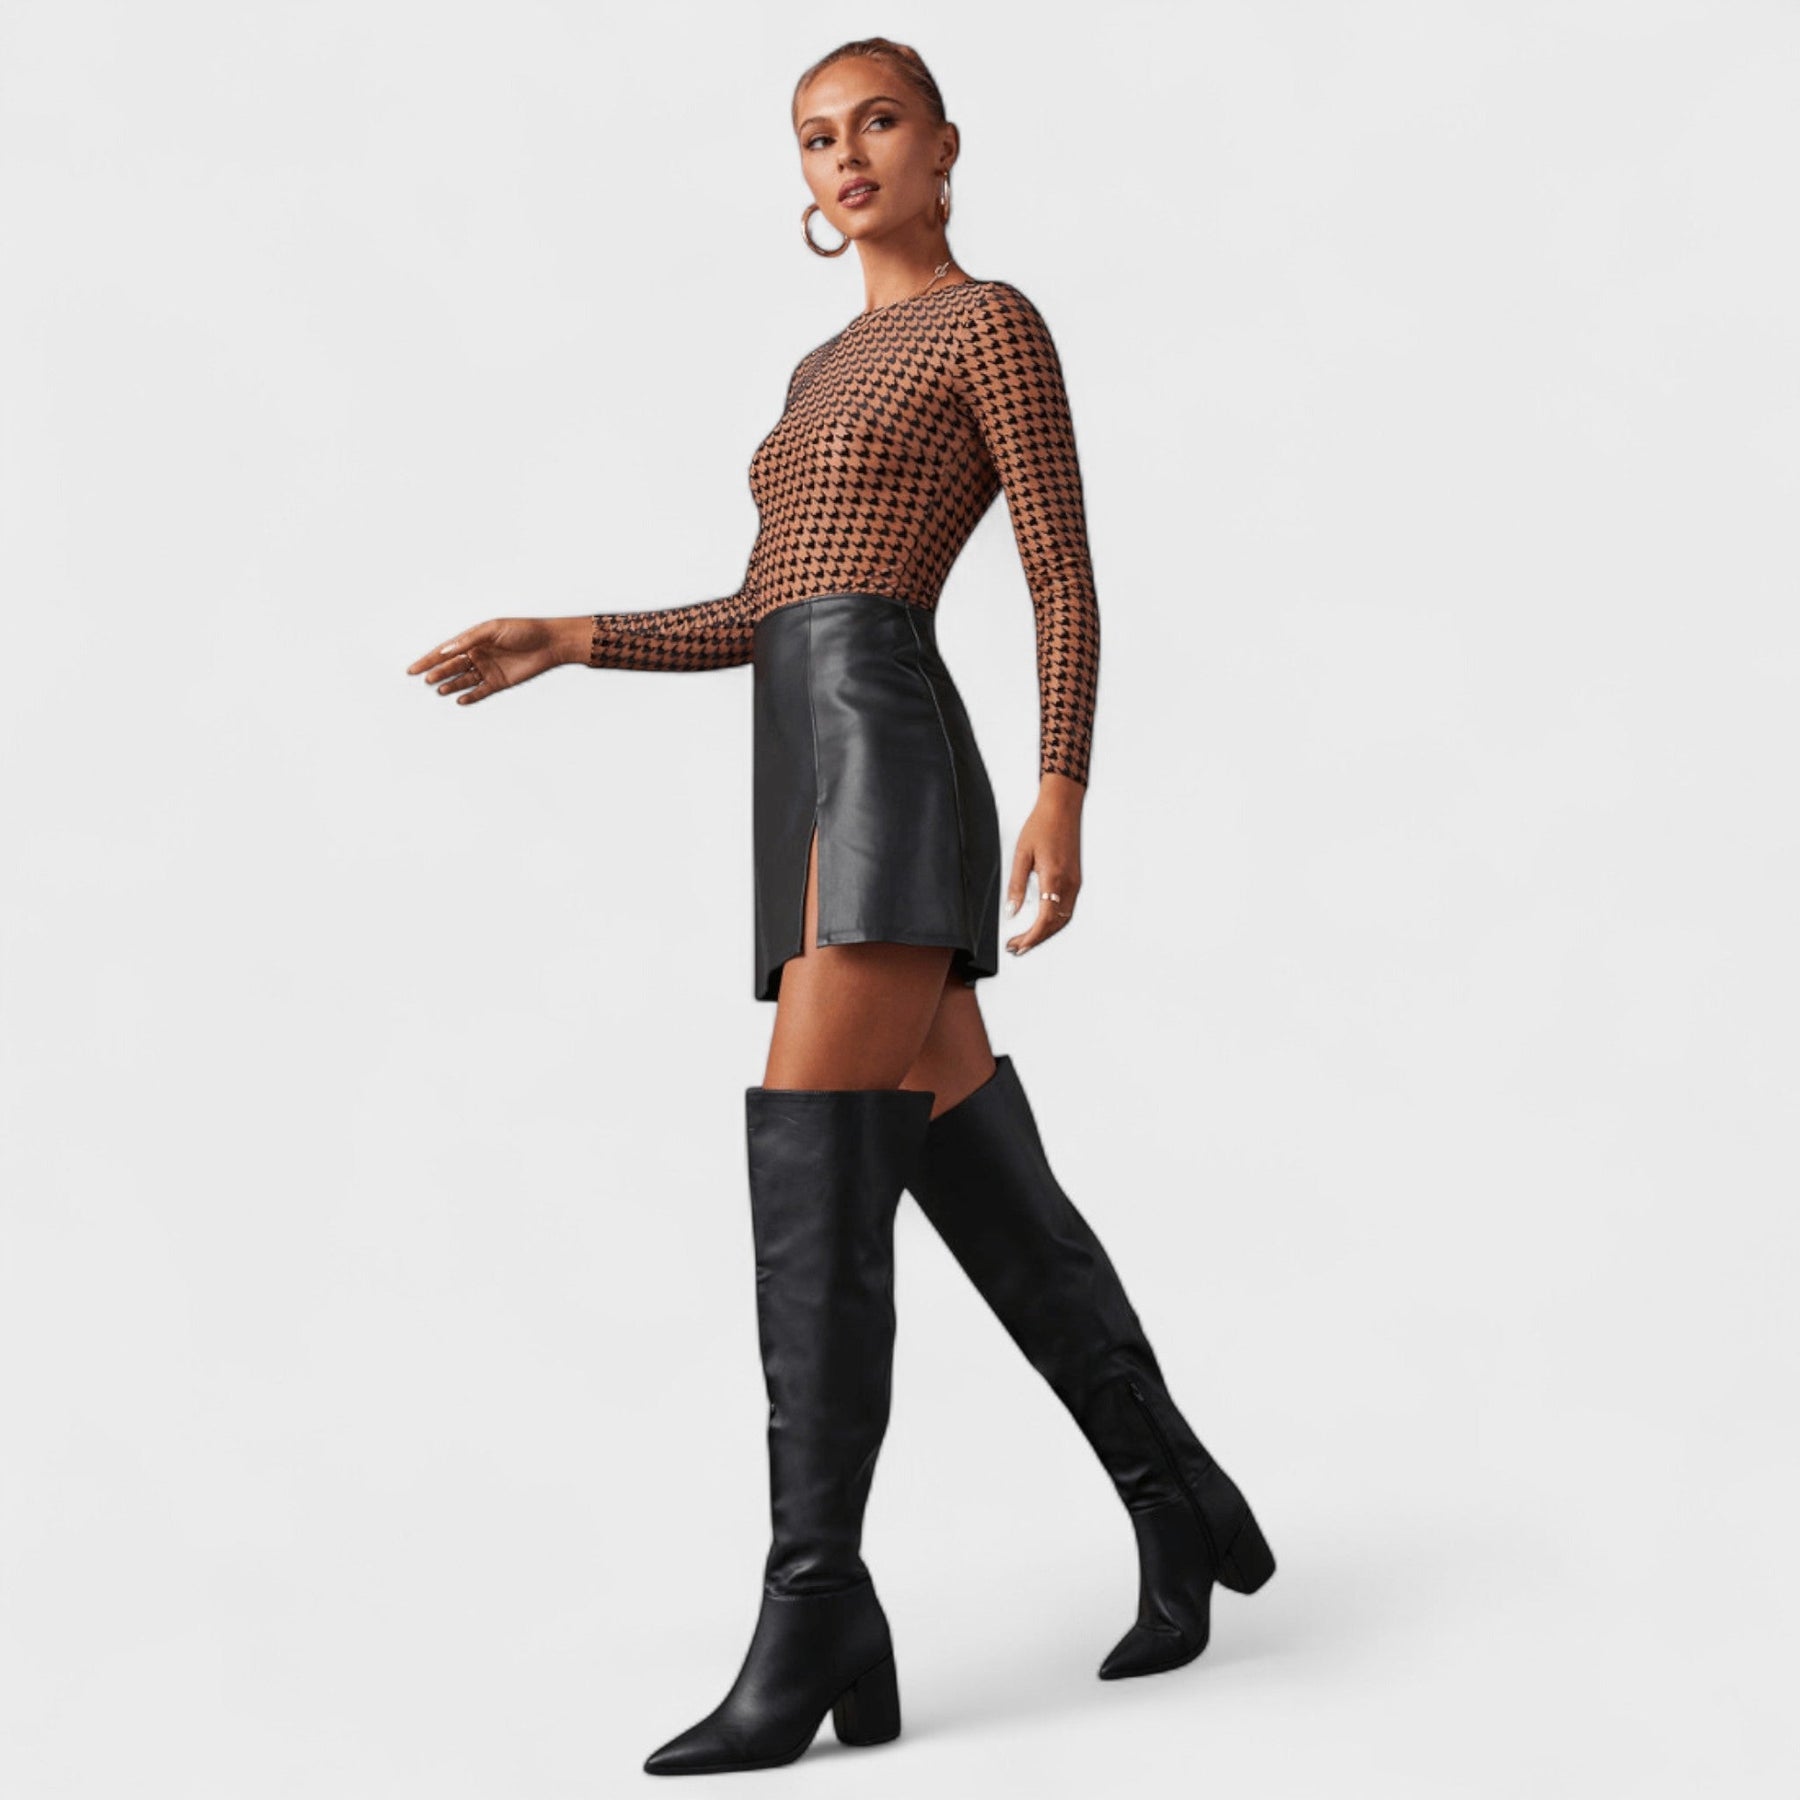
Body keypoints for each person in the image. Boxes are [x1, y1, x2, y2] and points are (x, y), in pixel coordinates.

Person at [406, 36, 1275, 1776]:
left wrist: (1063, 782)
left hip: (886, 745)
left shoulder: (987, 322)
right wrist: (569, 635)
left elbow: (1057, 563)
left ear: (944, 145)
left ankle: (816, 1606)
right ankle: (1174, 1492)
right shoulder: (815, 371)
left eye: (878, 121)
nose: (847, 154)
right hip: (793, 752)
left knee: (811, 1131)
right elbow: (764, 607)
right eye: (816, 137)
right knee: (967, 1152)